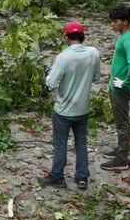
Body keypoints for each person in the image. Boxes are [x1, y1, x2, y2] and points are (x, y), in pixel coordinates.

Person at [39, 21, 101, 190]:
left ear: (66, 37)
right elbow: (96, 77)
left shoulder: (64, 56)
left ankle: (57, 176)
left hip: (64, 109)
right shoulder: (93, 53)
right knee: (81, 143)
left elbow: (51, 82)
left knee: (60, 143)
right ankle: (82, 177)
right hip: (83, 108)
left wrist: (48, 74)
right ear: (83, 36)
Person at [101, 4, 130, 171]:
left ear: (125, 22)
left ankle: (122, 159)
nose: (112, 24)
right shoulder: (125, 34)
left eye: (115, 21)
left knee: (122, 123)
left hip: (120, 89)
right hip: (116, 85)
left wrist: (124, 82)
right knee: (119, 121)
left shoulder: (128, 39)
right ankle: (120, 149)